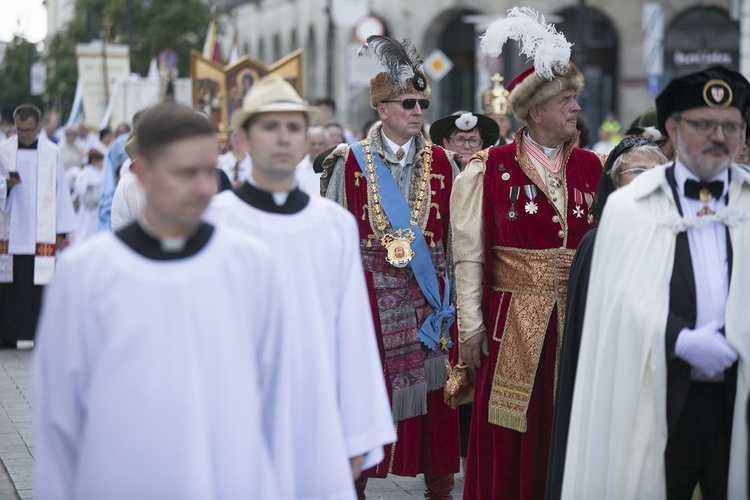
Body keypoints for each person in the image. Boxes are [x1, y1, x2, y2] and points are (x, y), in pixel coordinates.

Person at [33, 103, 290, 500]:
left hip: (228, 475)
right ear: (142, 173)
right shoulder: (85, 273)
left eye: (209, 171)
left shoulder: (250, 264)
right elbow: (59, 416)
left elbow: (275, 393)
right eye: (186, 173)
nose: (206, 188)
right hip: (121, 477)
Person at [562, 66, 750, 499]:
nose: (718, 136)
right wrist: (677, 339)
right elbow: (613, 307)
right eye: (703, 124)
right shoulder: (630, 209)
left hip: (737, 403)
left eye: (731, 126)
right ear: (672, 128)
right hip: (656, 398)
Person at [205, 74, 395, 500]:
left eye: (293, 127)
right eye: (270, 127)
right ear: (243, 137)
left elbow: (353, 332)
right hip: (234, 404)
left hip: (315, 401)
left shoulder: (333, 225)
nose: (283, 138)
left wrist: (358, 432)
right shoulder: (214, 220)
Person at [451, 9, 605, 498]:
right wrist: (470, 326)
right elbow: (470, 255)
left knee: (573, 423)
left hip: (578, 318)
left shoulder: (593, 166)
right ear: (536, 111)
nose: (576, 108)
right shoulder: (487, 169)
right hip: (511, 319)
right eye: (566, 100)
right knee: (513, 431)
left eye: (575, 98)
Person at [322, 35, 461, 498]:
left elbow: (456, 238)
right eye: (408, 103)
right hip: (370, 293)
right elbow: (335, 236)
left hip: (428, 295)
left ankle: (439, 487)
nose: (418, 111)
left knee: (436, 402)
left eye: (423, 102)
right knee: (363, 389)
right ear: (382, 108)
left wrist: (455, 297)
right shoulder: (349, 162)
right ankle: (355, 484)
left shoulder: (444, 161)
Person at [545, 136, 667, 499]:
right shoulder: (599, 242)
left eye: (660, 172)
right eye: (640, 172)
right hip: (613, 378)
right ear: (616, 181)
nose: (651, 180)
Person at [0, 104, 76, 347]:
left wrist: (61, 229)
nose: (25, 135)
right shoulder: (3, 150)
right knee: (9, 287)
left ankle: (38, 335)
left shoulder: (51, 151)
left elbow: (60, 189)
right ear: (14, 126)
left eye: (29, 130)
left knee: (37, 286)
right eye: (20, 130)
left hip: (39, 231)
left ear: (38, 127)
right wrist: (5, 187)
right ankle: (7, 335)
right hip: (10, 229)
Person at [430, 112, 499, 167]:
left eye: (473, 140)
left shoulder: (490, 178)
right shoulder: (435, 175)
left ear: (481, 144)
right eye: (460, 140)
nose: (467, 146)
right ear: (446, 143)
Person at [73, 147, 106, 242]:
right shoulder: (85, 173)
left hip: (98, 208)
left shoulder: (102, 173)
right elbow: (79, 188)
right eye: (100, 161)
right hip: (87, 209)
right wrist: (88, 187)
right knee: (86, 232)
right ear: (95, 160)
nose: (102, 164)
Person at [295, 125, 329, 196]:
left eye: (320, 144)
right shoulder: (297, 170)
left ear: (327, 145)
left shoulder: (333, 169)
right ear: (307, 144)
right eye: (313, 144)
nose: (317, 147)